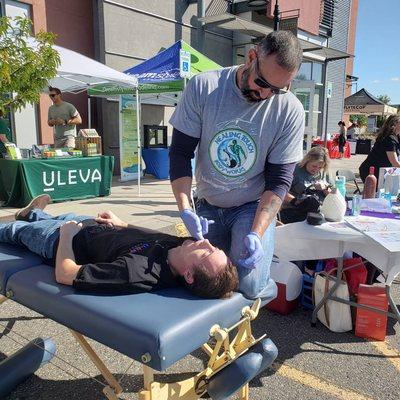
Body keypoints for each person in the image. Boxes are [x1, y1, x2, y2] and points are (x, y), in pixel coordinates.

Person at [169, 31, 305, 299]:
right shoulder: (204, 87)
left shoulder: (290, 110)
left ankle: (243, 326)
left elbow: (279, 182)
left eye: (277, 89)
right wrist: (185, 209)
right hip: (207, 202)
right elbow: (180, 154)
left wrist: (257, 232)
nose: (265, 94)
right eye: (262, 82)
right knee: (203, 282)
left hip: (251, 206)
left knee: (250, 284)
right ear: (251, 56)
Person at [0, 195, 238, 299]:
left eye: (207, 252)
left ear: (188, 274)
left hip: (60, 240)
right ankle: (33, 213)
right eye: (214, 247)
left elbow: (65, 274)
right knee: (61, 215)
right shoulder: (181, 248)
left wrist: (66, 235)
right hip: (92, 224)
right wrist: (122, 223)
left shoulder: (137, 274)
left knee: (12, 231)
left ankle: (29, 218)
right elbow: (153, 234)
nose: (206, 241)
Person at [279, 146, 331, 224]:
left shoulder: (324, 172)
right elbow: (280, 191)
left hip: (319, 212)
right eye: (314, 166)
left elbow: (334, 195)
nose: (316, 169)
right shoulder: (295, 170)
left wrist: (325, 188)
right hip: (294, 211)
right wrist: (296, 201)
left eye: (320, 167)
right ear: (307, 160)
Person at [359, 115, 400, 183]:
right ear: (395, 124)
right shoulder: (389, 139)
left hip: (382, 171)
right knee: (374, 192)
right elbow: (395, 162)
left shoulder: (396, 138)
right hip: (372, 171)